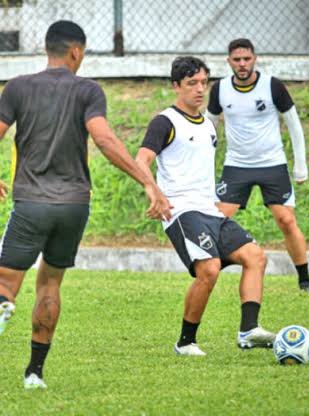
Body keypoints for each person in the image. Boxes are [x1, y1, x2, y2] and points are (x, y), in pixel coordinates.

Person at [0, 20, 171, 389]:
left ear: (47, 49)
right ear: (76, 51)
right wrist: (147, 181)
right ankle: (34, 373)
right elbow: (106, 140)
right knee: (50, 285)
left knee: (6, 283)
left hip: (30, 203)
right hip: (74, 206)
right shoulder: (88, 90)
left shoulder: (17, 88)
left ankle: (2, 304)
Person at [135, 56, 276, 357]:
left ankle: (249, 331)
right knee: (209, 269)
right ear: (176, 86)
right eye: (191, 83)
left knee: (256, 257)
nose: (200, 89)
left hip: (210, 210)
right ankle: (186, 342)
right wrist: (153, 190)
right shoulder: (165, 122)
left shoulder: (209, 126)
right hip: (181, 211)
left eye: (204, 83)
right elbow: (141, 160)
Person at [205, 39, 309, 292]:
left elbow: (294, 125)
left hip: (273, 164)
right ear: (229, 61)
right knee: (217, 218)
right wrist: (204, 168)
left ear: (254, 59)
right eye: (237, 60)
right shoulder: (220, 89)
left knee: (286, 220)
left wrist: (301, 166)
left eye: (246, 59)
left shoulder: (272, 85)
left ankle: (304, 278)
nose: (242, 64)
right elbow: (210, 128)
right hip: (236, 165)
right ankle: (211, 268)